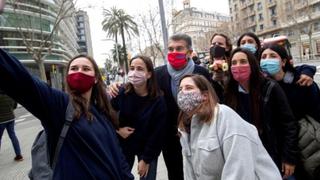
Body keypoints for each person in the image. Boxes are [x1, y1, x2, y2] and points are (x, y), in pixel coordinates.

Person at [0, 51, 133, 179]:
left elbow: (118, 157)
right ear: (67, 76)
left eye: (86, 69)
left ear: (96, 79)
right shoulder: (59, 105)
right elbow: (22, 80)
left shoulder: (103, 112)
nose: (79, 71)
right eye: (74, 68)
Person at [109, 33, 223, 180]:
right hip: (169, 135)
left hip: (199, 130)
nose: (174, 52)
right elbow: (139, 87)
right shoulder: (158, 74)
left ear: (189, 52)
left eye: (179, 48)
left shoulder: (201, 73)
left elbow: (213, 99)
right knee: (174, 171)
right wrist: (116, 85)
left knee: (202, 169)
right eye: (170, 49)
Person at [177, 74, 282, 180]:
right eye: (180, 89)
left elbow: (239, 170)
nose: (182, 93)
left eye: (189, 88)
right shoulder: (187, 126)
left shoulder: (224, 116)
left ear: (205, 95)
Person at [224, 48, 299, 179]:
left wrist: (289, 158)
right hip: (246, 156)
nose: (238, 66)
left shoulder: (270, 87)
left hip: (274, 154)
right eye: (234, 63)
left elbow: (289, 124)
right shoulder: (229, 92)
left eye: (243, 61)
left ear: (252, 65)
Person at [260, 44, 320, 180]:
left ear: (283, 61)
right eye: (263, 57)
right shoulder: (262, 87)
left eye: (272, 56)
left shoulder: (301, 80)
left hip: (307, 144)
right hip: (282, 153)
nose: (267, 60)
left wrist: (308, 70)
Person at [111, 55, 167, 180]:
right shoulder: (121, 92)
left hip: (148, 148)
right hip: (124, 146)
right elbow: (105, 114)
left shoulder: (158, 99)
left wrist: (146, 160)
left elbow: (158, 133)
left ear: (149, 74)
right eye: (132, 68)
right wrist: (117, 129)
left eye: (140, 69)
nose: (135, 72)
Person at [237, 32, 315, 86]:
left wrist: (307, 71)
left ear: (257, 45)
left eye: (250, 42)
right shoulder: (238, 64)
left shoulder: (291, 80)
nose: (246, 45)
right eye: (243, 43)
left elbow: (294, 72)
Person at [0, 90, 23, 161]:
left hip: (1, 121)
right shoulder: (10, 94)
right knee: (13, 136)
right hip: (11, 118)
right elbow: (15, 106)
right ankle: (19, 155)